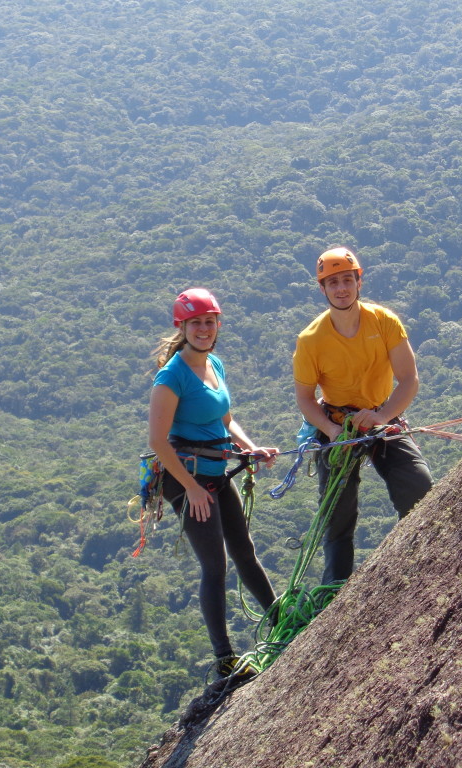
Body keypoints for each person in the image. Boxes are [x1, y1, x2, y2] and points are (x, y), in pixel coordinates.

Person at [148, 287, 279, 679]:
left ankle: (281, 620)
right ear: (182, 327)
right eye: (196, 323)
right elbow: (157, 441)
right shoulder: (171, 376)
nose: (204, 329)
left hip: (216, 472)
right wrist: (189, 487)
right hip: (186, 477)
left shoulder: (213, 365)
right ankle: (224, 659)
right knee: (215, 565)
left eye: (209, 322)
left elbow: (224, 420)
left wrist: (251, 448)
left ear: (217, 324)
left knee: (244, 550)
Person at [293, 246, 434, 584]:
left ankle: (409, 565)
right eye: (333, 283)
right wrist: (329, 430)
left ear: (359, 282)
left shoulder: (384, 322)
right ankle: (333, 593)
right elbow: (305, 399)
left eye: (346, 280)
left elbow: (409, 379)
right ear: (322, 289)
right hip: (338, 424)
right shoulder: (311, 340)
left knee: (419, 487)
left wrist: (382, 416)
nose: (341, 289)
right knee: (337, 519)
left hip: (380, 416)